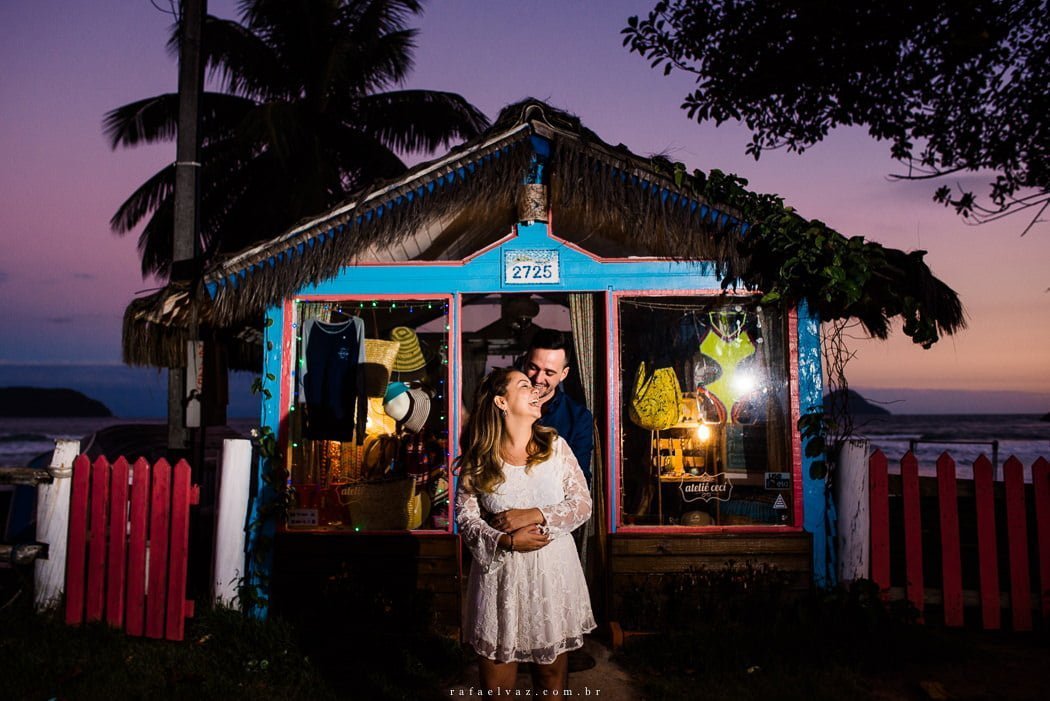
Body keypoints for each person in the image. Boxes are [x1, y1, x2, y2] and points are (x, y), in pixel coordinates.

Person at [455, 367, 595, 695]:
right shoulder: (480, 458)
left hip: (551, 580)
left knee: (550, 683)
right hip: (499, 583)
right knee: (498, 689)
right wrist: (505, 540)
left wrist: (532, 514)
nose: (535, 390)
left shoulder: (555, 447)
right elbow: (466, 517)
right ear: (502, 402)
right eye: (524, 385)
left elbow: (582, 503)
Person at [519, 329, 594, 484]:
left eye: (549, 372)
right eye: (533, 367)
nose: (538, 379)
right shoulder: (502, 406)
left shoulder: (579, 418)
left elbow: (580, 480)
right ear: (525, 362)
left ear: (564, 374)